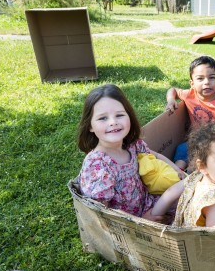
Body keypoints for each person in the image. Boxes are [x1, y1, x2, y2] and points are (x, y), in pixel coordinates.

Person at [77, 84, 184, 223]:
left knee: (190, 201)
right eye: (103, 118)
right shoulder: (97, 166)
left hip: (150, 202)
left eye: (120, 115)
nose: (113, 122)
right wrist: (142, 221)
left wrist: (177, 170)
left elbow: (156, 155)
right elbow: (102, 214)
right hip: (129, 223)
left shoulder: (132, 145)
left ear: (129, 116)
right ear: (90, 126)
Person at [165, 55, 215, 171]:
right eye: (200, 79)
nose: (206, 82)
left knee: (201, 162)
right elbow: (173, 90)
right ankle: (178, 171)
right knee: (181, 149)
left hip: (212, 143)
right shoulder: (190, 95)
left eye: (211, 78)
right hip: (193, 140)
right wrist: (171, 100)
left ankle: (193, 172)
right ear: (192, 83)